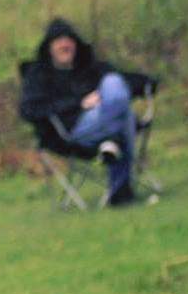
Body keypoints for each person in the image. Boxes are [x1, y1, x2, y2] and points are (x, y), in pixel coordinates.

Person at [19, 18, 139, 207]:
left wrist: (150, 83)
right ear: (49, 47)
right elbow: (29, 110)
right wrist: (79, 103)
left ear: (75, 44)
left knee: (113, 81)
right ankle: (120, 186)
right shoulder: (39, 75)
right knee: (126, 116)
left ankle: (112, 143)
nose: (65, 44)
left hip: (102, 121)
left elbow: (125, 82)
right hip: (70, 131)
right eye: (59, 41)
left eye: (69, 40)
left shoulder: (89, 67)